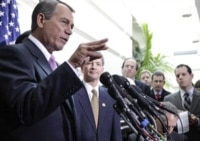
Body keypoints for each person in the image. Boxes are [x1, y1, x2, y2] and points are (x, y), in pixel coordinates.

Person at [0, 1, 108, 141]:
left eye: (72, 26)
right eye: (64, 22)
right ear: (41, 20)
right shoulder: (13, 55)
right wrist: (72, 64)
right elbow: (26, 108)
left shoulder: (56, 66)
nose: (69, 31)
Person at [73, 57, 122, 141]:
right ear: (81, 68)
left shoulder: (111, 96)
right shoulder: (72, 95)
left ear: (102, 69)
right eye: (89, 63)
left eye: (98, 64)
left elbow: (116, 133)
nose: (94, 67)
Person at [164, 64, 200, 141]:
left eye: (184, 74)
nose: (180, 77)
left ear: (191, 75)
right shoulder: (169, 99)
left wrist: (198, 121)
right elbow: (165, 122)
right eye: (178, 76)